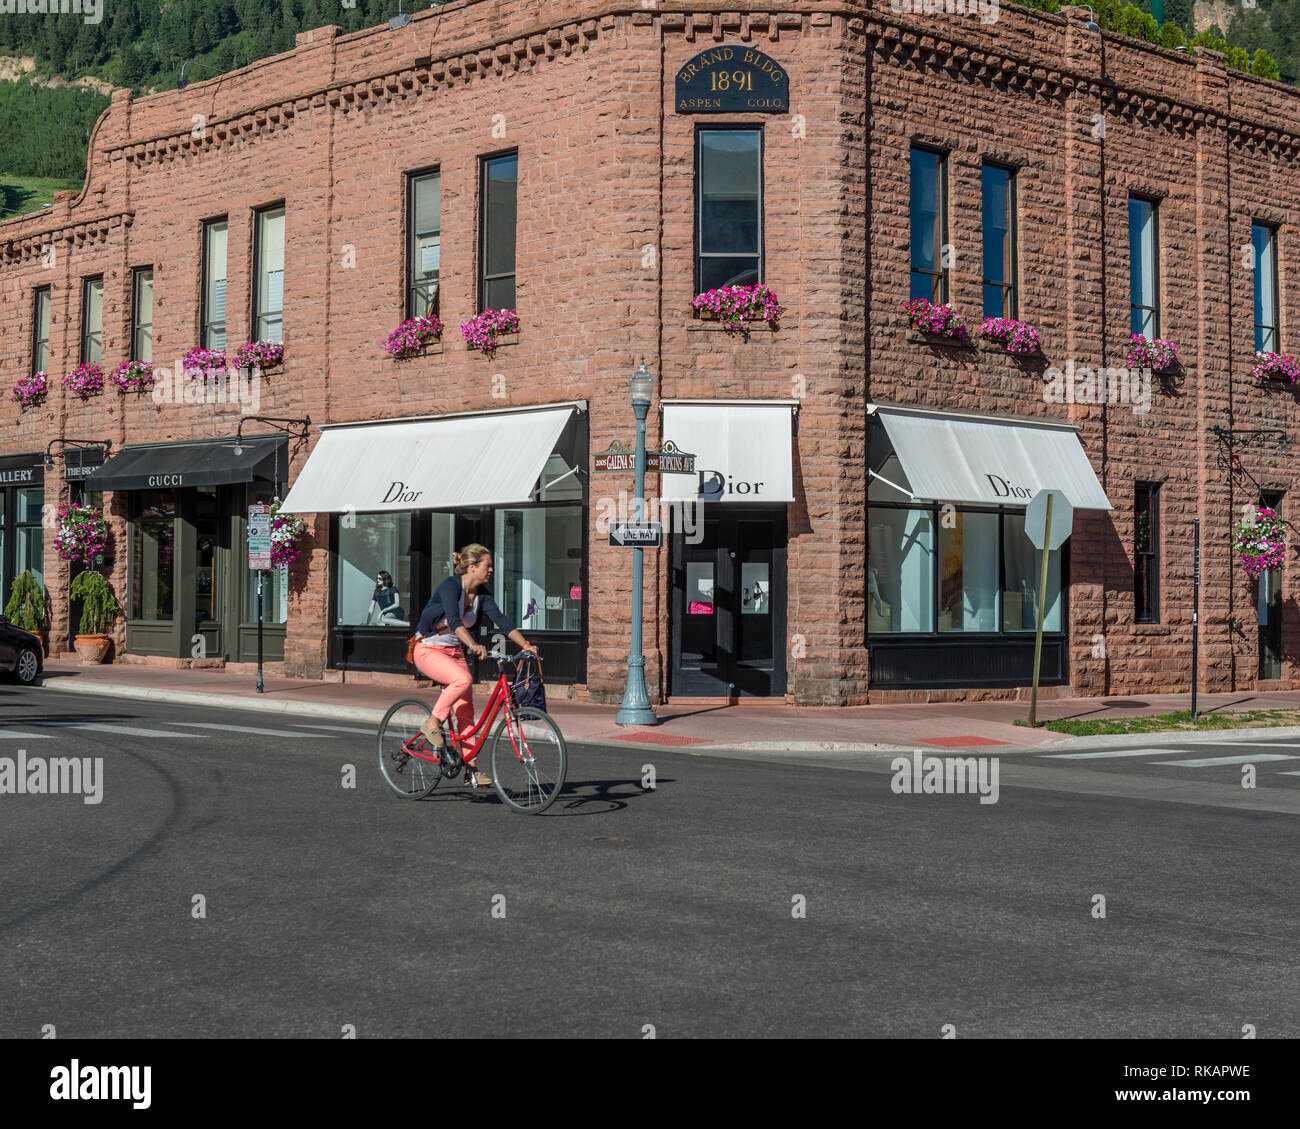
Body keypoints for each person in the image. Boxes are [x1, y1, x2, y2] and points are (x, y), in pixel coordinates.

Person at [411, 544, 536, 788]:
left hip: (453, 651)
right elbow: (455, 621)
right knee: (463, 680)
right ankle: (432, 723)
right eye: (487, 565)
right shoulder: (450, 586)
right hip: (428, 649)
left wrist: (525, 645)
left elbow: (501, 620)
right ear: (472, 567)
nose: (491, 570)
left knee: (466, 713)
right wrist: (473, 644)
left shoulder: (482, 594)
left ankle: (471, 769)